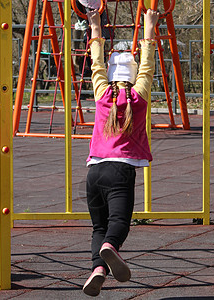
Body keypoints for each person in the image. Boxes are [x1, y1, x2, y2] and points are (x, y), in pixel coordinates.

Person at [82, 8, 159, 297]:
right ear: (133, 75)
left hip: (94, 172)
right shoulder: (139, 96)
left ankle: (98, 269)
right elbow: (148, 64)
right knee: (118, 224)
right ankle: (110, 248)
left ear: (111, 76)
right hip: (121, 170)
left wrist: (95, 26)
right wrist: (149, 27)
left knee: (97, 226)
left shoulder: (102, 94)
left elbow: (96, 63)